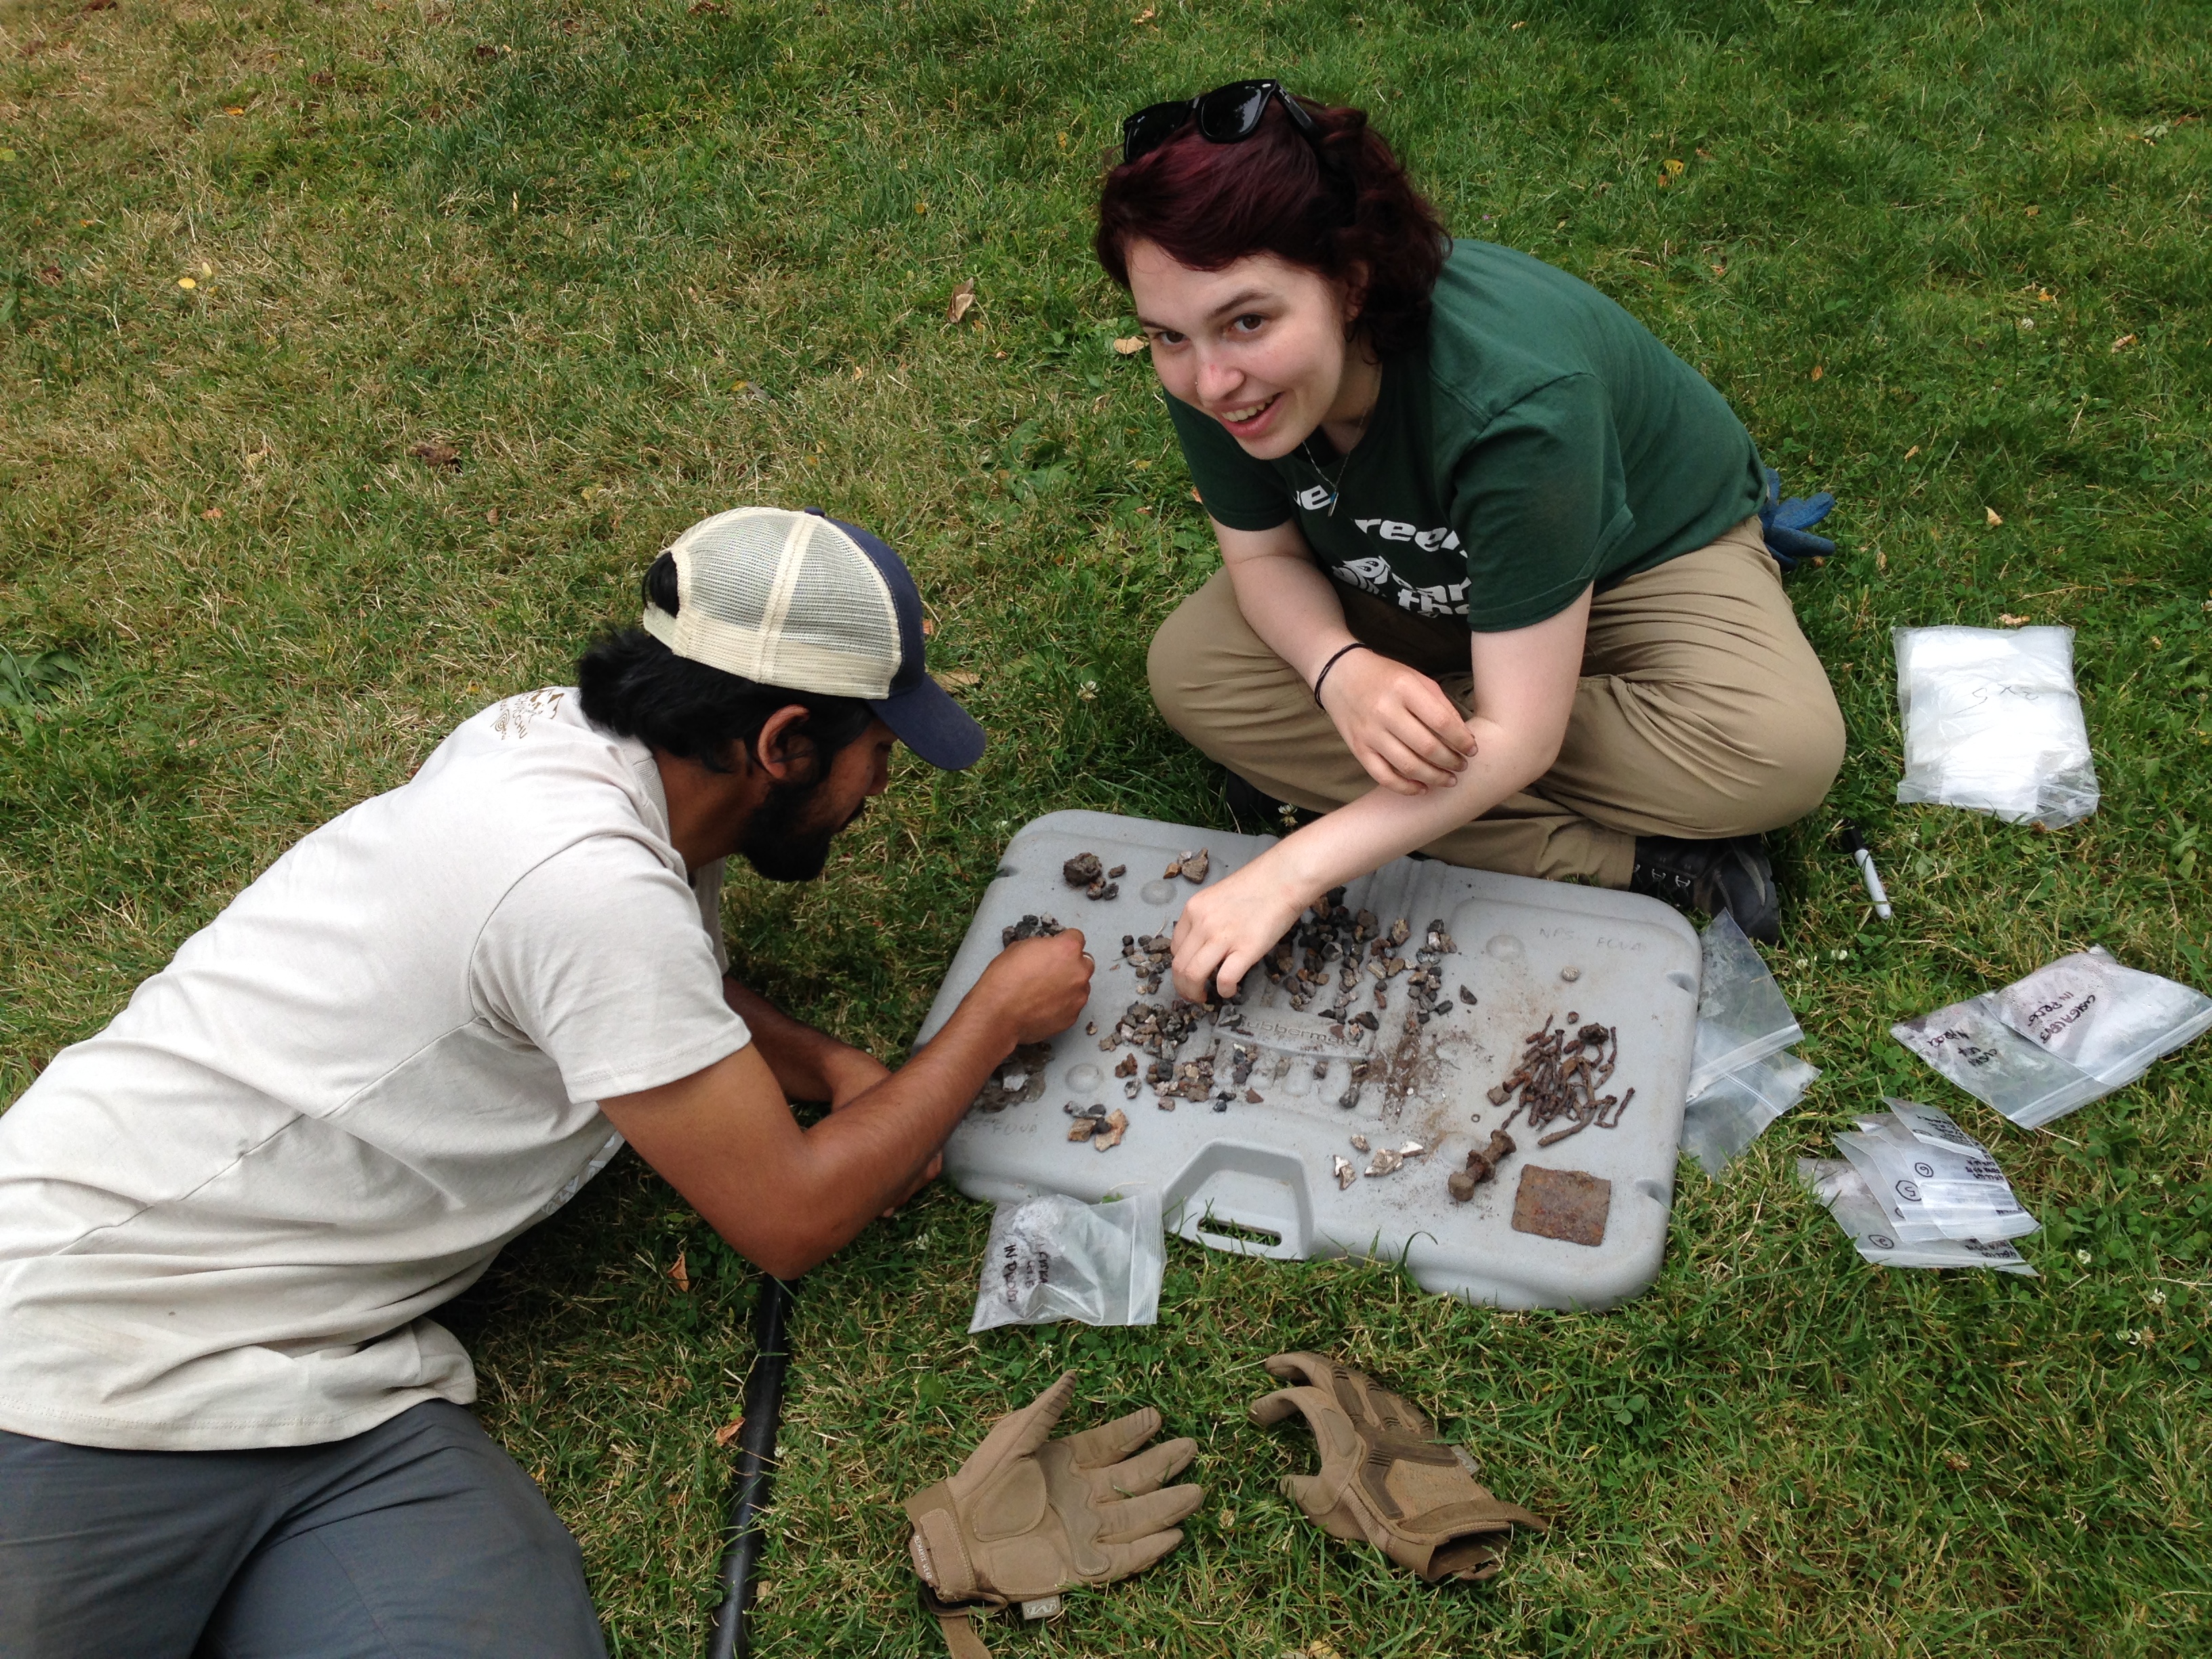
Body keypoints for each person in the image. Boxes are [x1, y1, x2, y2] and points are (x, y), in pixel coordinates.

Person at [0, 506, 1093, 1659]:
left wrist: (828, 1065)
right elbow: (794, 1217)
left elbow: (650, 994)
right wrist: (987, 1024)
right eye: (880, 747)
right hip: (74, 1358)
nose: (885, 782)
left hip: (337, 1396)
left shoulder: (591, 761)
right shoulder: (586, 886)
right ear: (784, 745)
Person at [1094, 81, 1846, 996]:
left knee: (1779, 750)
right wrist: (1340, 674)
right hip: (1411, 584)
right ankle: (1635, 860)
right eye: (1168, 336)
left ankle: (1366, 780)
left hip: (1637, 564)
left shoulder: (1517, 404)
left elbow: (1524, 741)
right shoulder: (1222, 375)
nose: (1211, 382)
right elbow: (1263, 557)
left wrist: (1295, 869)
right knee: (1192, 668)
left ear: (1353, 281)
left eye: (1249, 321)